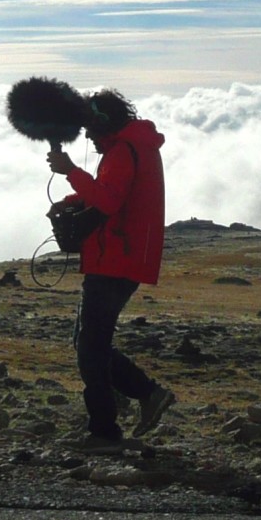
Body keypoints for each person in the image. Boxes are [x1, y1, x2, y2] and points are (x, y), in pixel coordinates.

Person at [47, 89, 174, 447]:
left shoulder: (123, 150)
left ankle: (105, 429)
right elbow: (113, 193)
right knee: (89, 342)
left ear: (104, 123)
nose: (88, 136)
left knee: (90, 347)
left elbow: (109, 199)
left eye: (90, 127)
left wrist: (70, 171)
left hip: (116, 258)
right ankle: (145, 395)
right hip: (122, 257)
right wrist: (74, 196)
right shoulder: (135, 145)